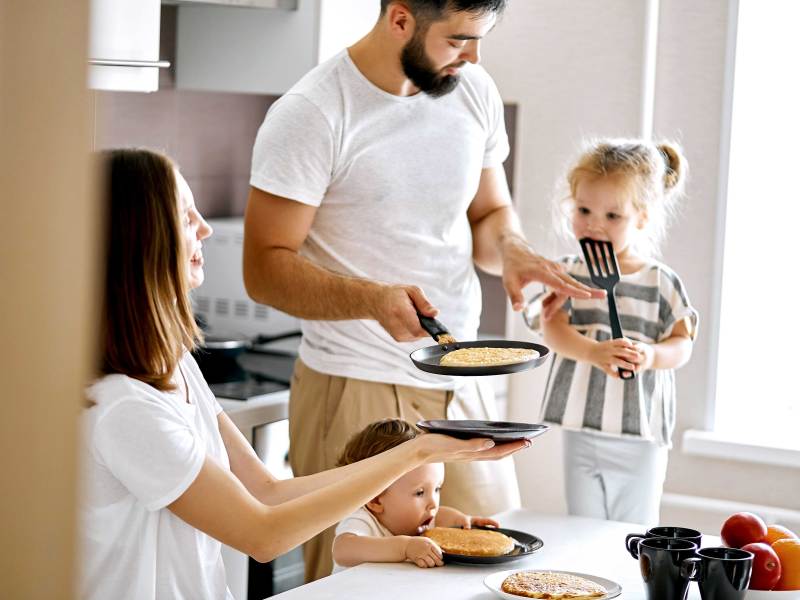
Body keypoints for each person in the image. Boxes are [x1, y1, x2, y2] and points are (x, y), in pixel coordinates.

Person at [243, 0, 604, 580]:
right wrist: (371, 299)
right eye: (460, 38)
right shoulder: (312, 112)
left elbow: (489, 215)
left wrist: (510, 252)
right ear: (401, 19)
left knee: (499, 568)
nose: (475, 55)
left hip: (461, 382)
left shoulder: (473, 90)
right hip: (360, 379)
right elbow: (263, 269)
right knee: (360, 583)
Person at [80, 148, 529, 600]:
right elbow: (263, 535)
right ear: (141, 241)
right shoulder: (126, 409)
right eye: (184, 215)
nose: (206, 228)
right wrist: (414, 455)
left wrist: (423, 450)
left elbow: (269, 491)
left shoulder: (176, 365)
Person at [523, 138, 699, 526]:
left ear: (642, 217)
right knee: (582, 527)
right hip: (580, 427)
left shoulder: (660, 282)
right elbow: (551, 329)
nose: (594, 224)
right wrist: (592, 352)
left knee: (633, 533)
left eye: (612, 216)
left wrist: (652, 355)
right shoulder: (567, 273)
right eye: (584, 210)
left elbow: (682, 343)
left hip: (639, 433)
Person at [331, 419, 501, 572]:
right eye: (420, 492)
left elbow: (439, 516)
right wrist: (404, 547)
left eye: (437, 489)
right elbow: (342, 550)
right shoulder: (362, 520)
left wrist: (464, 522)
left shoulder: (418, 519)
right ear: (375, 499)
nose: (433, 504)